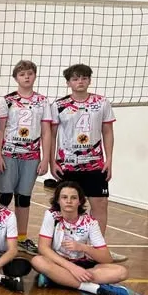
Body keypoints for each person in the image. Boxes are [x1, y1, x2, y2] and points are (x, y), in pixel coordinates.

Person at [49, 64, 125, 263]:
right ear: (68, 83)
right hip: (68, 165)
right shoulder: (59, 105)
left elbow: (107, 131)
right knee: (64, 206)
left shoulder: (101, 102)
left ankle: (98, 250)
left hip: (95, 164)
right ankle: (62, 249)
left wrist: (109, 159)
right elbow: (52, 134)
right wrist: (51, 161)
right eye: (75, 79)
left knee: (100, 205)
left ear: (89, 80)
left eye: (83, 78)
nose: (80, 82)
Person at [31, 181, 131, 295]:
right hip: (59, 263)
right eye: (64, 197)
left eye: (73, 198)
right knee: (37, 261)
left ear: (80, 201)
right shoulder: (52, 216)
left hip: (83, 265)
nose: (69, 201)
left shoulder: (90, 222)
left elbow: (107, 259)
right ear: (58, 200)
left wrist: (84, 248)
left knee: (122, 272)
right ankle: (95, 288)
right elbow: (43, 248)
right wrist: (72, 268)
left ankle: (56, 279)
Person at [0, 60, 51, 255]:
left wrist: (45, 158)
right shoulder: (7, 100)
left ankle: (21, 238)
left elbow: (46, 132)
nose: (26, 77)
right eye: (22, 74)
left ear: (35, 75)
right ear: (16, 78)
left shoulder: (42, 101)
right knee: (4, 196)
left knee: (24, 198)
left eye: (30, 73)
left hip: (31, 156)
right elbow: (0, 130)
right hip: (9, 154)